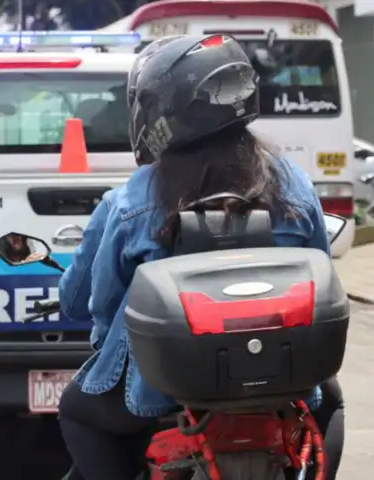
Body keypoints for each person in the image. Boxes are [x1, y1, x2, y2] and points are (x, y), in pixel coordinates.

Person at [57, 35, 344, 480]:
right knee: (331, 404)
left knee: (76, 411)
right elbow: (319, 275)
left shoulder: (132, 198)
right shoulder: (294, 184)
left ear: (161, 109)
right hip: (280, 380)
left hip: (160, 391)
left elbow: (92, 305)